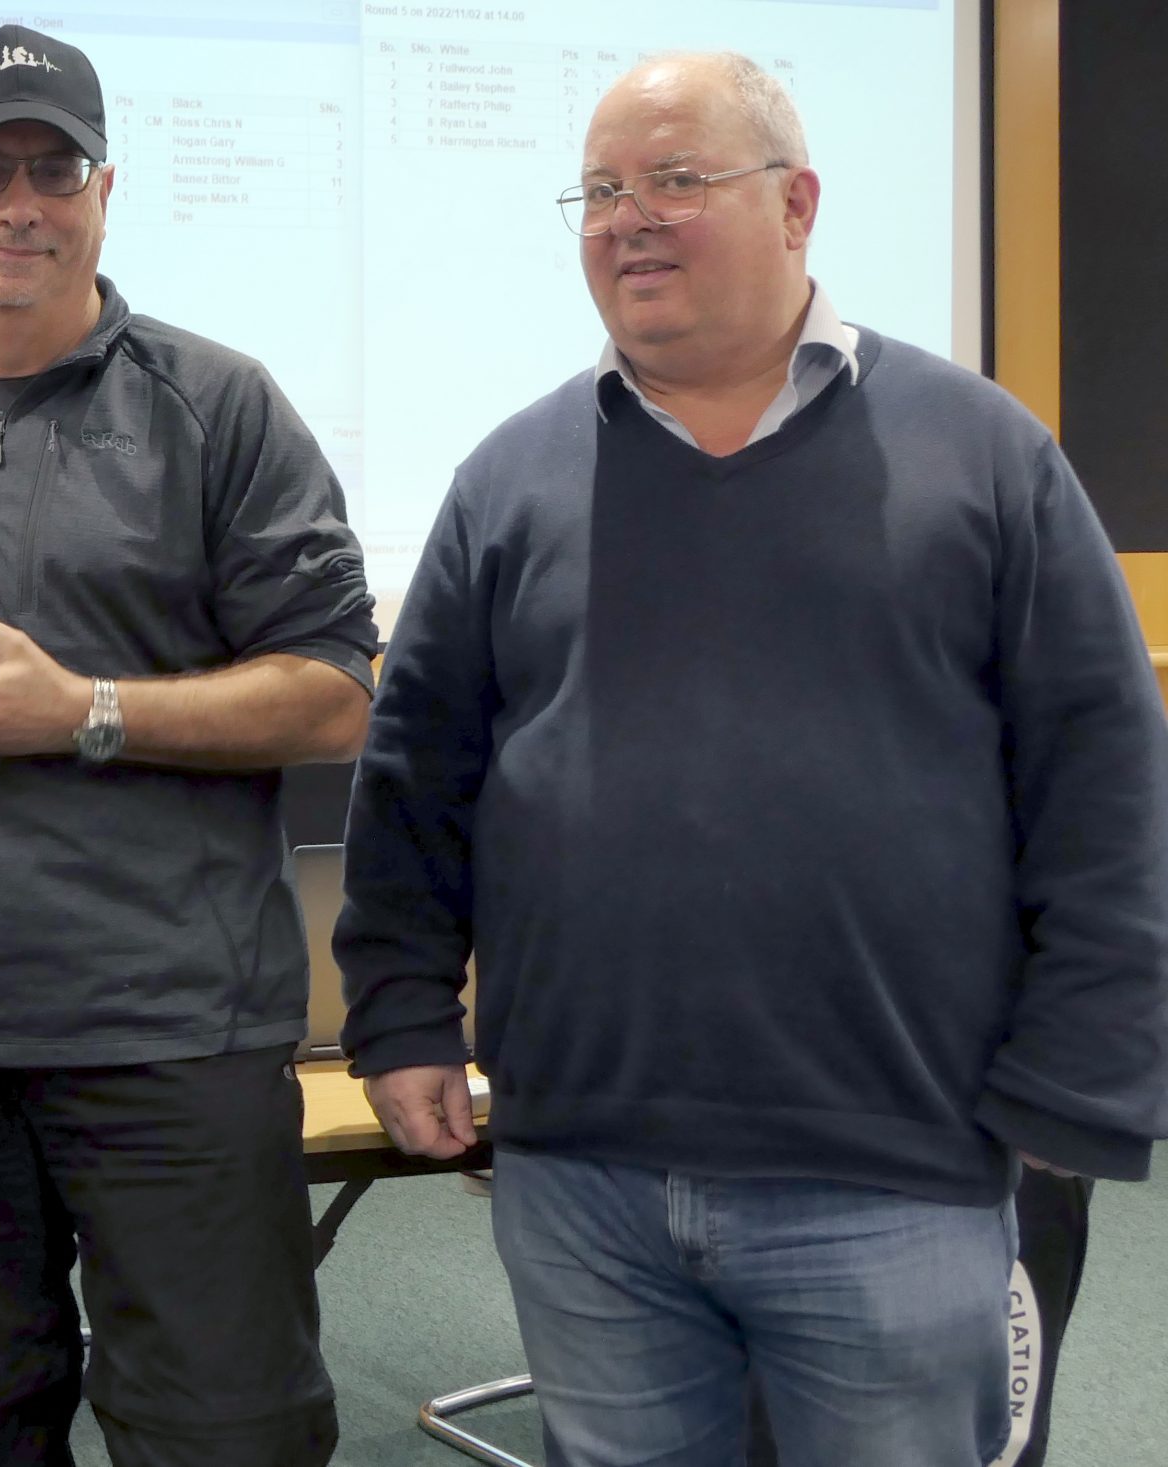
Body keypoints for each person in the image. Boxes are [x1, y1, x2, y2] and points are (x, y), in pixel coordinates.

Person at [338, 51, 1168, 1467]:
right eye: (600, 189)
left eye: (676, 179)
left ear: (799, 206)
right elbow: (420, 779)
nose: (628, 218)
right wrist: (403, 1012)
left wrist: (1074, 1083)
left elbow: (1105, 792)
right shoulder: (509, 479)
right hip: (584, 1172)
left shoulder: (983, 457)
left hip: (894, 1167)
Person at [0, 24, 376, 1466]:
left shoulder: (215, 406)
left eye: (55, 167)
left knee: (225, 1436)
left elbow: (334, 690)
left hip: (169, 1037)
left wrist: (90, 712)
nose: (17, 202)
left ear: (106, 192)